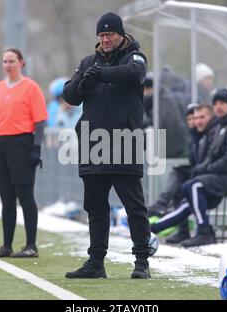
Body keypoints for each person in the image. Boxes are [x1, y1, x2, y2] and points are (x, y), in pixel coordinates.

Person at [62, 12, 151, 279]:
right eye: (101, 35)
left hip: (125, 142)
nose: (105, 39)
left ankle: (142, 262)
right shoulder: (89, 61)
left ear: (121, 35)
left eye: (110, 34)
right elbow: (70, 95)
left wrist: (101, 74)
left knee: (134, 206)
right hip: (93, 144)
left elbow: (134, 74)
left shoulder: (135, 57)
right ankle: (96, 263)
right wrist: (82, 81)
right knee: (95, 207)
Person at [0, 48, 48, 258]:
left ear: (21, 63)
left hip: (21, 143)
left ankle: (31, 246)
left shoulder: (31, 88)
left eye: (11, 61)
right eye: (4, 61)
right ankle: (6, 245)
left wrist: (36, 148)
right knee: (6, 197)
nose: (7, 65)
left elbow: (39, 121)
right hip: (1, 144)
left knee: (25, 195)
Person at [179, 89, 227, 247]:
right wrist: (201, 169)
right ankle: (202, 230)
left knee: (195, 185)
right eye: (215, 103)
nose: (218, 106)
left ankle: (204, 231)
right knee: (189, 184)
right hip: (226, 174)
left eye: (222, 103)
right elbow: (212, 156)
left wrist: (206, 170)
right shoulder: (223, 125)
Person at [150, 104, 220, 244]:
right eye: (190, 119)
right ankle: (182, 229)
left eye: (198, 118)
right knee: (178, 176)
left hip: (211, 178)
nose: (194, 122)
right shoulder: (196, 136)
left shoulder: (209, 134)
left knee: (187, 186)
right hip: (202, 174)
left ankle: (155, 224)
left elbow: (208, 162)